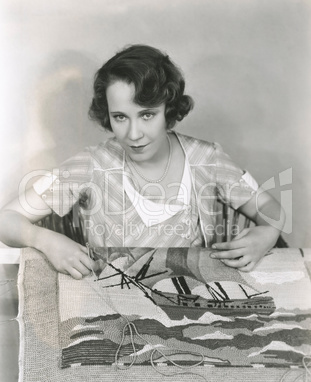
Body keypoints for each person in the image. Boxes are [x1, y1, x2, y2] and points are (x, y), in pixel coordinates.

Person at [0, 44, 285, 279]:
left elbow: (269, 208)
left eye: (147, 115)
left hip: (189, 310)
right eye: (120, 117)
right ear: (107, 114)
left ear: (168, 109)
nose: (134, 134)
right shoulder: (92, 164)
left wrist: (268, 232)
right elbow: (5, 220)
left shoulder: (206, 159)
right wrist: (45, 240)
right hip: (113, 311)